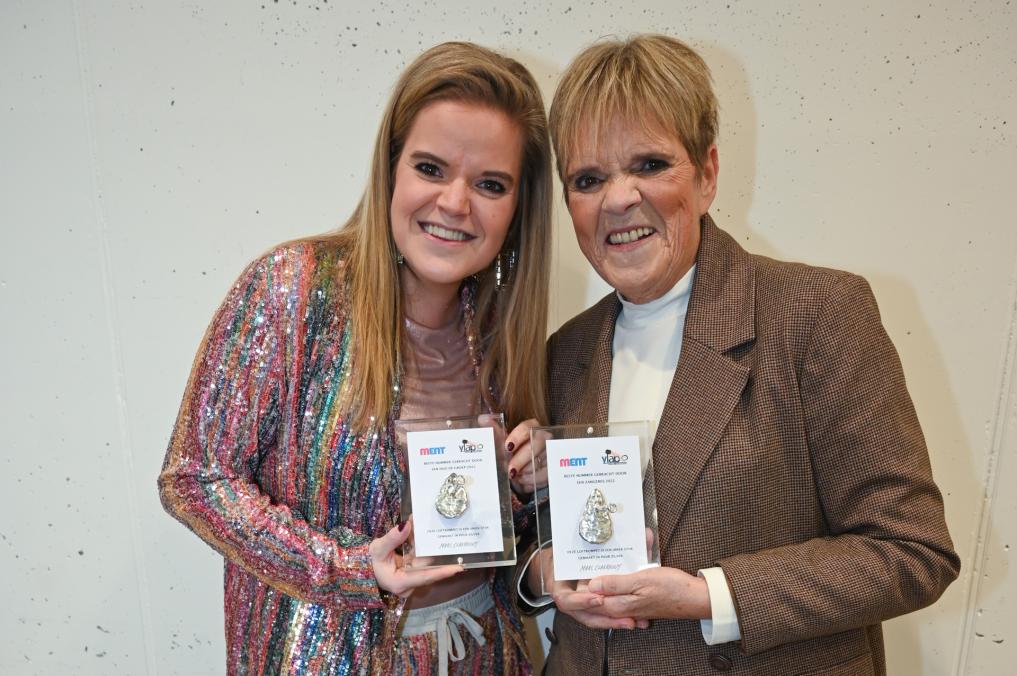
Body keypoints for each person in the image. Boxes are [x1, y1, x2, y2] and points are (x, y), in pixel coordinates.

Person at [517, 34, 960, 675]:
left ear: (707, 175)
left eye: (649, 164)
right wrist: (542, 566)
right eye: (589, 179)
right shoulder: (566, 351)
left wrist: (710, 597)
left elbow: (912, 550)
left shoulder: (818, 314)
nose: (618, 198)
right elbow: (546, 543)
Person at [159, 41, 552, 675]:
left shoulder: (505, 328)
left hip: (481, 653)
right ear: (391, 170)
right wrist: (346, 570)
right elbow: (195, 478)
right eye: (430, 168)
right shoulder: (292, 290)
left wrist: (529, 483)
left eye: (490, 184)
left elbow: (489, 537)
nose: (456, 203)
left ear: (518, 206)